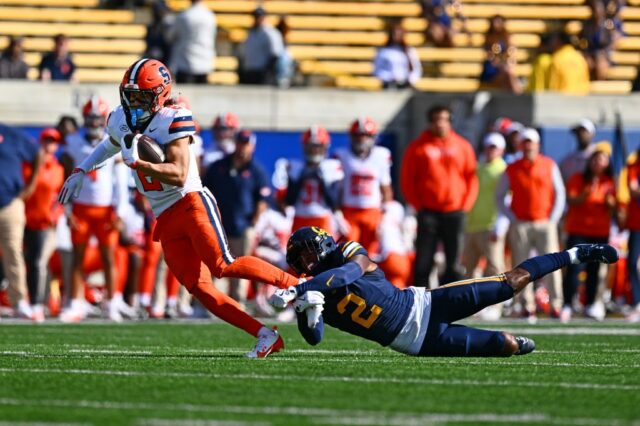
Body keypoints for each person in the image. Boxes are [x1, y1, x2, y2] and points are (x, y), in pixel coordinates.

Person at [57, 58, 299, 357]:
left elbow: (179, 172)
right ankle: (264, 334)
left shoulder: (174, 117)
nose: (133, 102)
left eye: (140, 96)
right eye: (129, 95)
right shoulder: (120, 118)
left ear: (160, 94)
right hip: (164, 214)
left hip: (190, 203)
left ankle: (299, 286)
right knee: (199, 287)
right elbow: (111, 143)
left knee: (222, 265)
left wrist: (139, 163)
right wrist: (82, 169)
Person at [270, 226, 618, 357]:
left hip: (426, 304)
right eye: (299, 259)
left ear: (319, 244)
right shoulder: (309, 291)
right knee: (507, 344)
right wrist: (307, 309)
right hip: (415, 343)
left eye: (305, 252)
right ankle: (512, 343)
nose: (305, 261)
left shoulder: (346, 252)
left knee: (511, 282)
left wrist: (307, 288)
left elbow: (350, 272)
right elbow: (313, 338)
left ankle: (577, 253)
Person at [59, 96, 134, 323]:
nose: (94, 122)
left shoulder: (114, 139)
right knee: (78, 258)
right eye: (90, 118)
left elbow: (120, 179)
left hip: (105, 209)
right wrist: (68, 209)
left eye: (97, 118)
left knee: (109, 257)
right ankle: (76, 303)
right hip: (81, 207)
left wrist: (120, 210)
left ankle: (112, 302)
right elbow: (66, 175)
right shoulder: (72, 141)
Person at [400, 105, 478, 286]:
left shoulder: (462, 146)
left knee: (454, 262)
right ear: (430, 123)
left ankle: (451, 302)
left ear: (450, 122)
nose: (440, 124)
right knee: (424, 262)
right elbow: (407, 180)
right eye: (436, 120)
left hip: (455, 211)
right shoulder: (418, 148)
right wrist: (419, 206)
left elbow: (471, 178)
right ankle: (421, 302)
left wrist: (465, 206)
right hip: (428, 212)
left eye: (444, 120)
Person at [496, 128, 566, 322]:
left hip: (544, 222)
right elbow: (500, 196)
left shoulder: (549, 164)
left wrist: (553, 218)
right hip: (522, 224)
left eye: (531, 142)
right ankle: (526, 305)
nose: (528, 146)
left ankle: (556, 304)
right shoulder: (512, 167)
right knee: (521, 267)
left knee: (553, 264)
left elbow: (560, 193)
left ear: (537, 145)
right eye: (525, 142)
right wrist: (512, 217)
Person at [203, 129, 272, 306]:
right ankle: (217, 302)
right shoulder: (219, 166)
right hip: (219, 225)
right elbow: (204, 191)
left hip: (243, 226)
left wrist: (253, 223)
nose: (243, 147)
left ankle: (238, 302)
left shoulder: (256, 170)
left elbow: (263, 199)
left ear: (252, 146)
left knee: (242, 267)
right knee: (218, 265)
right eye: (241, 143)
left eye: (246, 143)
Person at [562, 142, 616, 322]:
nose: (598, 163)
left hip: (600, 231)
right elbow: (571, 200)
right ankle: (568, 304)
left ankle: (591, 304)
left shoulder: (610, 182)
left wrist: (610, 204)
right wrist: (585, 194)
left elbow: (615, 209)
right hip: (578, 229)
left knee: (594, 269)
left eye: (602, 159)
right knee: (574, 268)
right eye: (595, 159)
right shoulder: (578, 178)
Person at [0, 123, 44, 319]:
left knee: (14, 253)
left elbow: (37, 154)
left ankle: (19, 301)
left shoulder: (10, 134)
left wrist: (30, 186)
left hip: (10, 203)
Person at [22, 128, 65, 322]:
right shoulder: (28, 166)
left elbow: (60, 198)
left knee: (39, 262)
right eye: (46, 141)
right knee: (25, 262)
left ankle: (38, 304)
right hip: (25, 220)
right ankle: (28, 301)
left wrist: (56, 215)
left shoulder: (58, 169)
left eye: (53, 142)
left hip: (45, 224)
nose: (49, 145)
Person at [333, 117, 393, 254]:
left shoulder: (381, 155)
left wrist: (386, 217)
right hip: (349, 212)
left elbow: (386, 187)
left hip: (373, 212)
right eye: (358, 135)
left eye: (365, 135)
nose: (362, 139)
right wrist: (337, 215)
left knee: (369, 255)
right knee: (348, 254)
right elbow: (337, 190)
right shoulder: (342, 156)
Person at [272, 126, 346, 235]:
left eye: (317, 147)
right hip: (300, 218)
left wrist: (321, 181)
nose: (314, 151)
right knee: (297, 251)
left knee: (325, 251)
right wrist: (301, 179)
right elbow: (290, 201)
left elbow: (335, 203)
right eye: (311, 147)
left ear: (325, 147)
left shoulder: (332, 167)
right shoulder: (295, 167)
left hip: (323, 218)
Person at [463, 133, 508, 281]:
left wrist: (500, 226)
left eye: (494, 147)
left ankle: (499, 303)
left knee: (495, 267)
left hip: (491, 226)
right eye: (488, 147)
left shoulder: (504, 170)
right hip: (472, 226)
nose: (490, 150)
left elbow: (507, 199)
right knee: (469, 269)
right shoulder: (478, 168)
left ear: (501, 150)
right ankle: (473, 302)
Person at [169, 0, 215, 84]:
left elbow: (170, 37)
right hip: (204, 62)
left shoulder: (183, 16)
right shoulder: (210, 16)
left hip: (185, 62)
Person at [238, 7, 284, 85]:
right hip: (250, 71)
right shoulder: (251, 33)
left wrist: (268, 73)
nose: (257, 19)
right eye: (255, 17)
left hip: (262, 73)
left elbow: (275, 54)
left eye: (259, 16)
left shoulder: (270, 33)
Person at [479, 15, 522, 93]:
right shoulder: (489, 38)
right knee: (508, 77)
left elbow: (510, 53)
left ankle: (517, 95)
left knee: (508, 76)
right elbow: (491, 58)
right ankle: (518, 96)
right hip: (491, 71)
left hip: (503, 68)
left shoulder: (506, 37)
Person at [373, 22, 422, 89]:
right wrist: (388, 78)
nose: (396, 37)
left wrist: (410, 80)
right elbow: (377, 69)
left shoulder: (409, 51)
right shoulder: (383, 51)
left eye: (399, 34)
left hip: (405, 84)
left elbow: (416, 69)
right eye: (394, 34)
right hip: (388, 85)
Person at [559, 118, 597, 183]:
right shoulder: (567, 161)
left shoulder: (598, 156)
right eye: (579, 132)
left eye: (584, 131)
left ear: (592, 134)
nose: (581, 134)